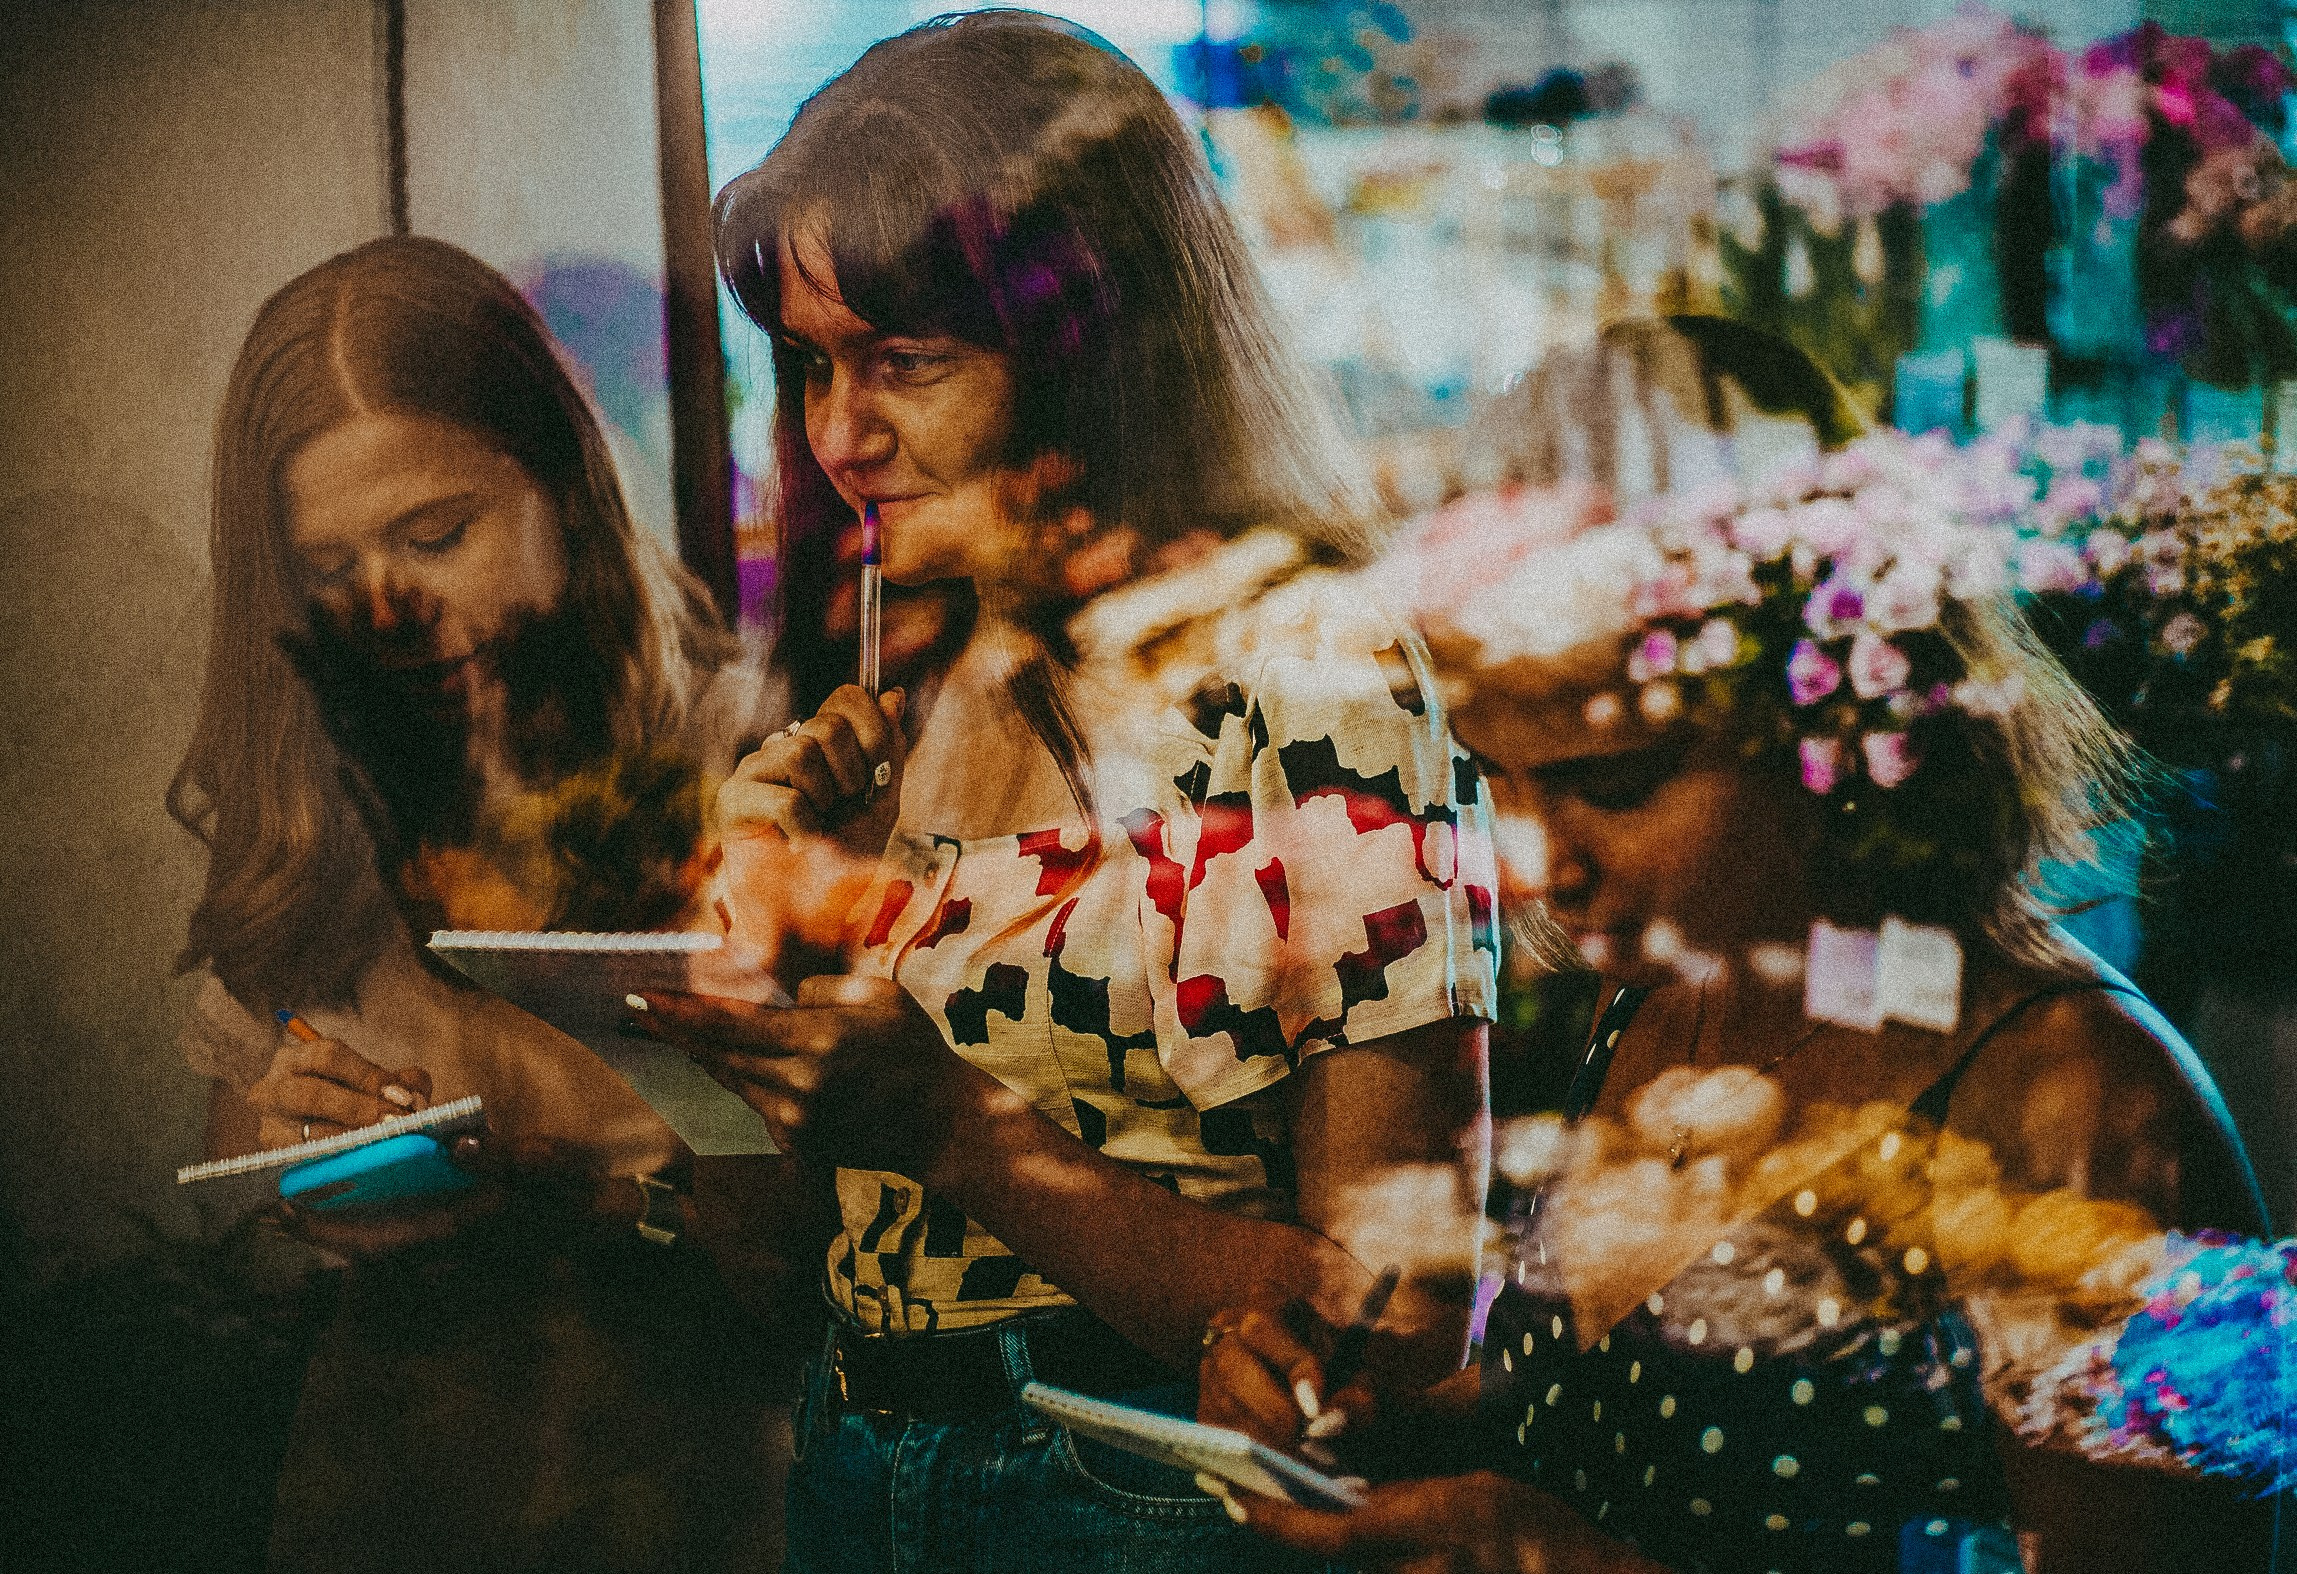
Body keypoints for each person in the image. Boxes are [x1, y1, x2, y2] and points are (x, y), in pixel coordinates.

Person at [1194, 319, 2275, 1573]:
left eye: (1616, 779)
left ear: (1829, 712)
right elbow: (1604, 1416)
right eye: (1497, 778)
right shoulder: (1663, 996)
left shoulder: (2089, 1111)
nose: (1542, 862)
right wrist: (1360, 1426)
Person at [639, 13, 1500, 1574]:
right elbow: (777, 1263)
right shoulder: (906, 671)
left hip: (1142, 1497)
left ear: (1096, 346)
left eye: (905, 362)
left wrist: (964, 1134)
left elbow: (1410, 1322)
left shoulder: (1309, 672)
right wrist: (754, 932)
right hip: (857, 1459)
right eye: (813, 366)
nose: (840, 434)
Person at [169, 235, 792, 1573]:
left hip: (706, 1497)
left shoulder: (752, 764)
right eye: (330, 572)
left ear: (563, 487)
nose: (391, 606)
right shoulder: (314, 798)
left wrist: (586, 1190)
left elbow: (852, 1250)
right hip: (390, 1498)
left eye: (436, 534)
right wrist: (301, 1167)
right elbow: (245, 1152)